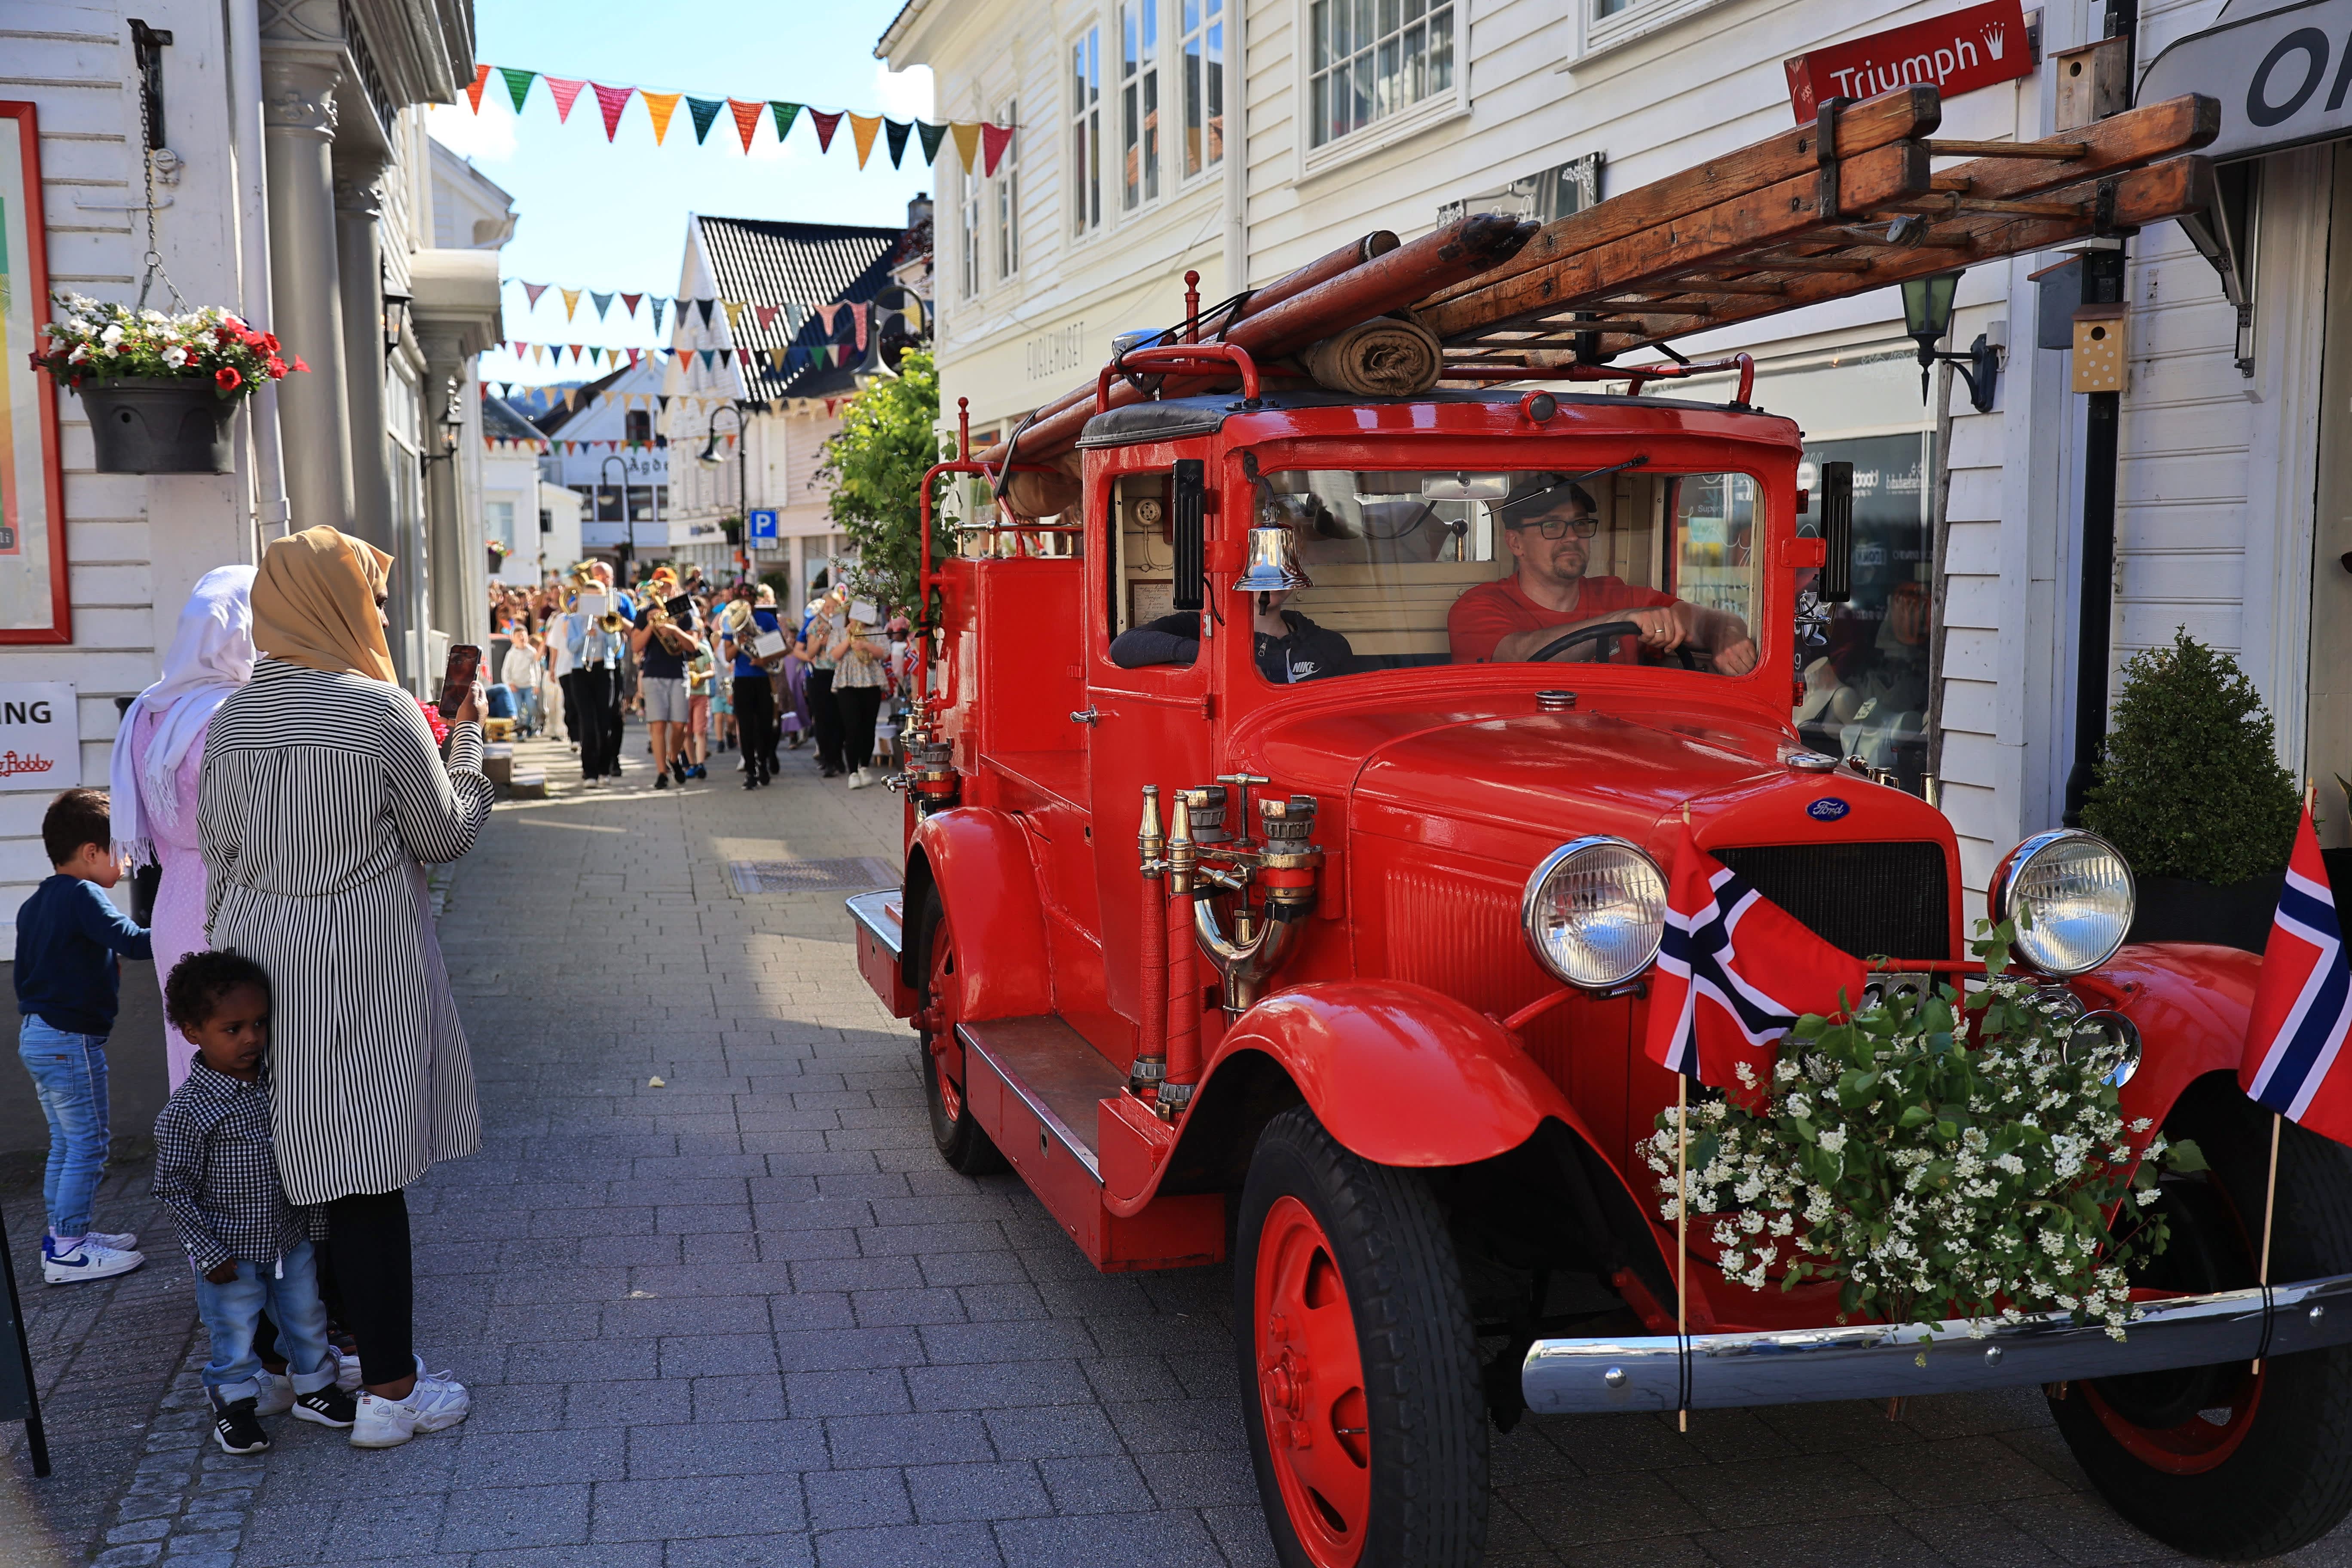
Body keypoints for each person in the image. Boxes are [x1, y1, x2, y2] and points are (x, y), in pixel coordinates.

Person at [200, 524, 488, 1447]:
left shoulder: (234, 716)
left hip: (256, 955)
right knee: (364, 1175)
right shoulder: (380, 709)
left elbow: (218, 850)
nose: (380, 609)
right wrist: (471, 758)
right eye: (370, 592)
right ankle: (392, 1393)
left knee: (280, 1173)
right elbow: (443, 836)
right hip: (359, 957)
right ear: (340, 602)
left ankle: (290, 1370)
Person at [151, 951, 358, 1453]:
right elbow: (173, 1188)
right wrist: (209, 1253)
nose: (251, 1038)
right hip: (229, 1253)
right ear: (192, 1031)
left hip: (290, 1239)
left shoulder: (279, 1085)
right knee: (234, 1333)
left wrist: (316, 1229)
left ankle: (316, 1390)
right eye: (233, 1028)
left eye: (260, 1024)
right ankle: (234, 1407)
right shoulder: (187, 1112)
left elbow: (300, 1158)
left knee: (307, 1317)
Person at [105, 565, 257, 1090]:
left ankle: (199, 1156)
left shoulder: (149, 710)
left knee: (191, 1049)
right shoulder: (234, 712)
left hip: (174, 897)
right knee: (253, 1049)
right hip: (237, 895)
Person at [14, 789, 150, 1284]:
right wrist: (184, 932)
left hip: (38, 1035)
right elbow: (132, 942)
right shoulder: (83, 895)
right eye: (124, 849)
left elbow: (24, 978)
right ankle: (68, 1252)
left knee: (65, 1144)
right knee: (89, 1144)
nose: (130, 860)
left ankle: (63, 1235)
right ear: (92, 852)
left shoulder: (35, 904)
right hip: (69, 1040)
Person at [1446, 477, 1758, 671]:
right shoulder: (1480, 606)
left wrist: (1726, 636)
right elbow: (1515, 657)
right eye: (1552, 526)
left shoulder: (1620, 596)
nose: (1572, 537)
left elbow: (1705, 620)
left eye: (1580, 524)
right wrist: (1619, 622)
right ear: (1516, 543)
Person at [1109, 589, 1356, 683]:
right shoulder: (1201, 626)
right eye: (1255, 561)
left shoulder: (1329, 646)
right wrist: (1214, 656)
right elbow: (1123, 647)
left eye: (1281, 561)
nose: (1268, 575)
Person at [631, 606, 705, 790]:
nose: (662, 590)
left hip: (678, 674)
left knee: (681, 725)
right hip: (653, 673)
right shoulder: (644, 613)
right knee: (658, 725)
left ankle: (673, 758)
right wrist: (651, 624)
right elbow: (636, 646)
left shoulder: (683, 613)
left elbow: (693, 646)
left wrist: (673, 630)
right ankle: (662, 773)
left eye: (666, 586)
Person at [720, 586, 782, 790]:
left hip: (764, 678)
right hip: (743, 680)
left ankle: (763, 762)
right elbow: (728, 656)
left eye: (750, 599)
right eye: (742, 599)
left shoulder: (766, 619)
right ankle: (750, 771)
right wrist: (740, 643)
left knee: (765, 725)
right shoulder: (731, 621)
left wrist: (764, 657)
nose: (747, 603)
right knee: (745, 727)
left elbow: (780, 646)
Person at [829, 609, 892, 790]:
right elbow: (833, 656)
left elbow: (884, 654)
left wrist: (865, 645)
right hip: (847, 684)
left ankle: (864, 766)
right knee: (852, 728)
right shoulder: (839, 632)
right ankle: (852, 772)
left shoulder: (876, 630)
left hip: (871, 683)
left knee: (868, 726)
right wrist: (848, 639)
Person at [798, 590, 849, 779]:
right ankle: (828, 759)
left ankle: (838, 757)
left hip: (840, 673)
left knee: (840, 718)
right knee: (822, 719)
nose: (830, 610)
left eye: (833, 607)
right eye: (827, 607)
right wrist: (821, 641)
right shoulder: (815, 624)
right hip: (820, 675)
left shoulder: (843, 624)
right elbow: (810, 654)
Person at [500, 631, 542, 738]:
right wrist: (509, 683)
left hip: (529, 685)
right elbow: (506, 671)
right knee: (518, 708)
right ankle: (521, 729)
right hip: (516, 686)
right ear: (513, 639)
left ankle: (529, 726)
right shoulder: (511, 654)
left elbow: (537, 669)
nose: (522, 638)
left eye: (523, 635)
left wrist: (537, 684)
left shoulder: (531, 651)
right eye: (519, 636)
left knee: (532, 707)